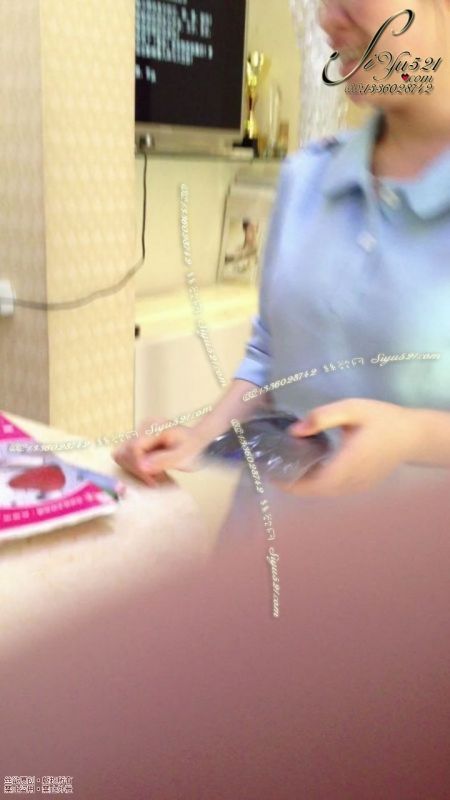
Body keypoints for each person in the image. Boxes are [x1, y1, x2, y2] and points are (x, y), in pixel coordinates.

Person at [114, 0, 450, 503]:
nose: (326, 19)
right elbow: (271, 355)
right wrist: (201, 438)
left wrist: (413, 435)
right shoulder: (306, 176)